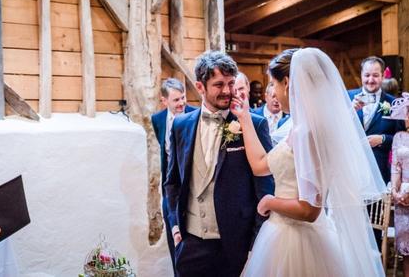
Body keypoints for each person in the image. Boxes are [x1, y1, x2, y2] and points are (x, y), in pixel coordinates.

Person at [231, 48, 386, 276]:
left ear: (286, 83)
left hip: (296, 240)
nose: (272, 91)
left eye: (273, 83)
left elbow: (309, 209)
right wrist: (244, 117)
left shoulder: (307, 133)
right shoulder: (298, 125)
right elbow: (260, 164)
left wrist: (269, 201)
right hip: (284, 232)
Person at [164, 51, 274, 277]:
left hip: (237, 245)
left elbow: (265, 189)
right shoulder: (181, 125)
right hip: (191, 244)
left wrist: (255, 245)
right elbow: (172, 182)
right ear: (200, 86)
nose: (227, 90)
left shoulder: (254, 125)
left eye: (231, 83)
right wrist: (175, 225)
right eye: (218, 84)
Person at [151, 78, 195, 269]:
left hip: (192, 185)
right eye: (176, 100)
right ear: (164, 101)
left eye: (183, 98)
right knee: (173, 237)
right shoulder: (158, 120)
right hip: (170, 187)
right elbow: (165, 151)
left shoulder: (195, 115)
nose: (181, 103)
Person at [349, 56, 404, 184]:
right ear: (361, 75)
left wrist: (382, 139)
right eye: (367, 75)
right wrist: (350, 111)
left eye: (375, 75)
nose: (370, 80)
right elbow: (335, 131)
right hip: (350, 169)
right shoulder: (347, 97)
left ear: (383, 75)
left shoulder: (394, 103)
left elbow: (401, 139)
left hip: (379, 171)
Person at [389, 93, 409, 277]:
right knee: (407, 252)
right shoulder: (399, 138)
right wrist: (395, 192)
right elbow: (396, 169)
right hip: (403, 200)